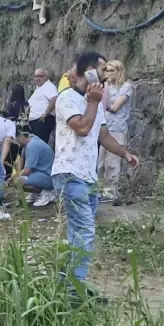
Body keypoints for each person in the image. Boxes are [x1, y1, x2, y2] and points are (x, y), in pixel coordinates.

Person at [54, 50, 140, 282]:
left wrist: (125, 154)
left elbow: (104, 136)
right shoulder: (66, 98)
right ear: (90, 72)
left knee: (77, 232)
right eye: (103, 70)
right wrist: (93, 101)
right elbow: (82, 128)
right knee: (84, 231)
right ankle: (75, 289)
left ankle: (66, 283)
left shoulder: (95, 102)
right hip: (70, 173)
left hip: (88, 177)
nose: (107, 76)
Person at [98, 60, 134, 203]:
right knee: (100, 162)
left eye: (112, 70)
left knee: (112, 162)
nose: (108, 73)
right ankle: (98, 190)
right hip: (104, 126)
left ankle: (110, 193)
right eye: (106, 70)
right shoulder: (106, 86)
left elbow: (114, 107)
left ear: (119, 72)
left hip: (118, 127)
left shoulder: (126, 87)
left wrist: (102, 99)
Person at [14, 130, 56, 207]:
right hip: (41, 174)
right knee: (19, 178)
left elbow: (27, 170)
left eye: (14, 141)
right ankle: (36, 193)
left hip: (48, 176)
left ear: (18, 137)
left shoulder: (32, 146)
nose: (14, 144)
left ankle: (45, 193)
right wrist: (18, 172)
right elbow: (22, 158)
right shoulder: (30, 141)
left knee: (17, 181)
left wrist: (14, 177)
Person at [26, 67, 58, 142]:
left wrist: (46, 113)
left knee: (39, 143)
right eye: (36, 76)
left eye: (40, 76)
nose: (37, 78)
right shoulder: (39, 88)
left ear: (45, 77)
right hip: (35, 122)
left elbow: (54, 98)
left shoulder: (49, 86)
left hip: (42, 121)